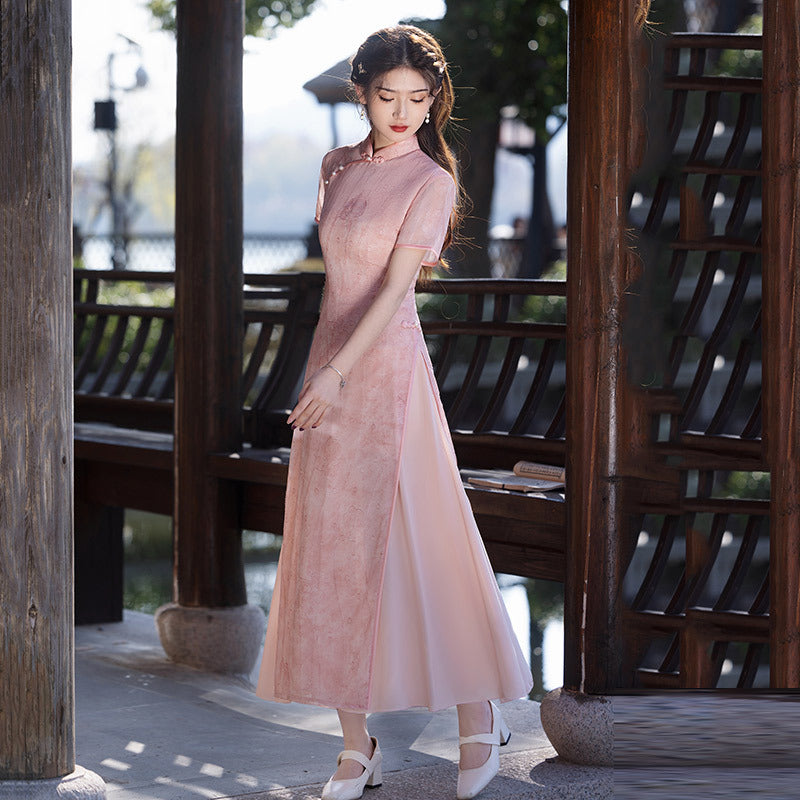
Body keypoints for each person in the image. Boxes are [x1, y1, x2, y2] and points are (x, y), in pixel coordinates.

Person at [255, 25, 533, 800]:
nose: (403, 112)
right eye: (387, 97)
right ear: (362, 94)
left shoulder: (430, 182)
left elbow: (392, 291)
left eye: (419, 98)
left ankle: (477, 716)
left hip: (385, 375)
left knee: (427, 537)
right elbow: (338, 282)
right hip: (329, 368)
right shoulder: (335, 165)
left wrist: (340, 374)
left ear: (434, 100)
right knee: (329, 547)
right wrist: (327, 373)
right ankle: (357, 745)